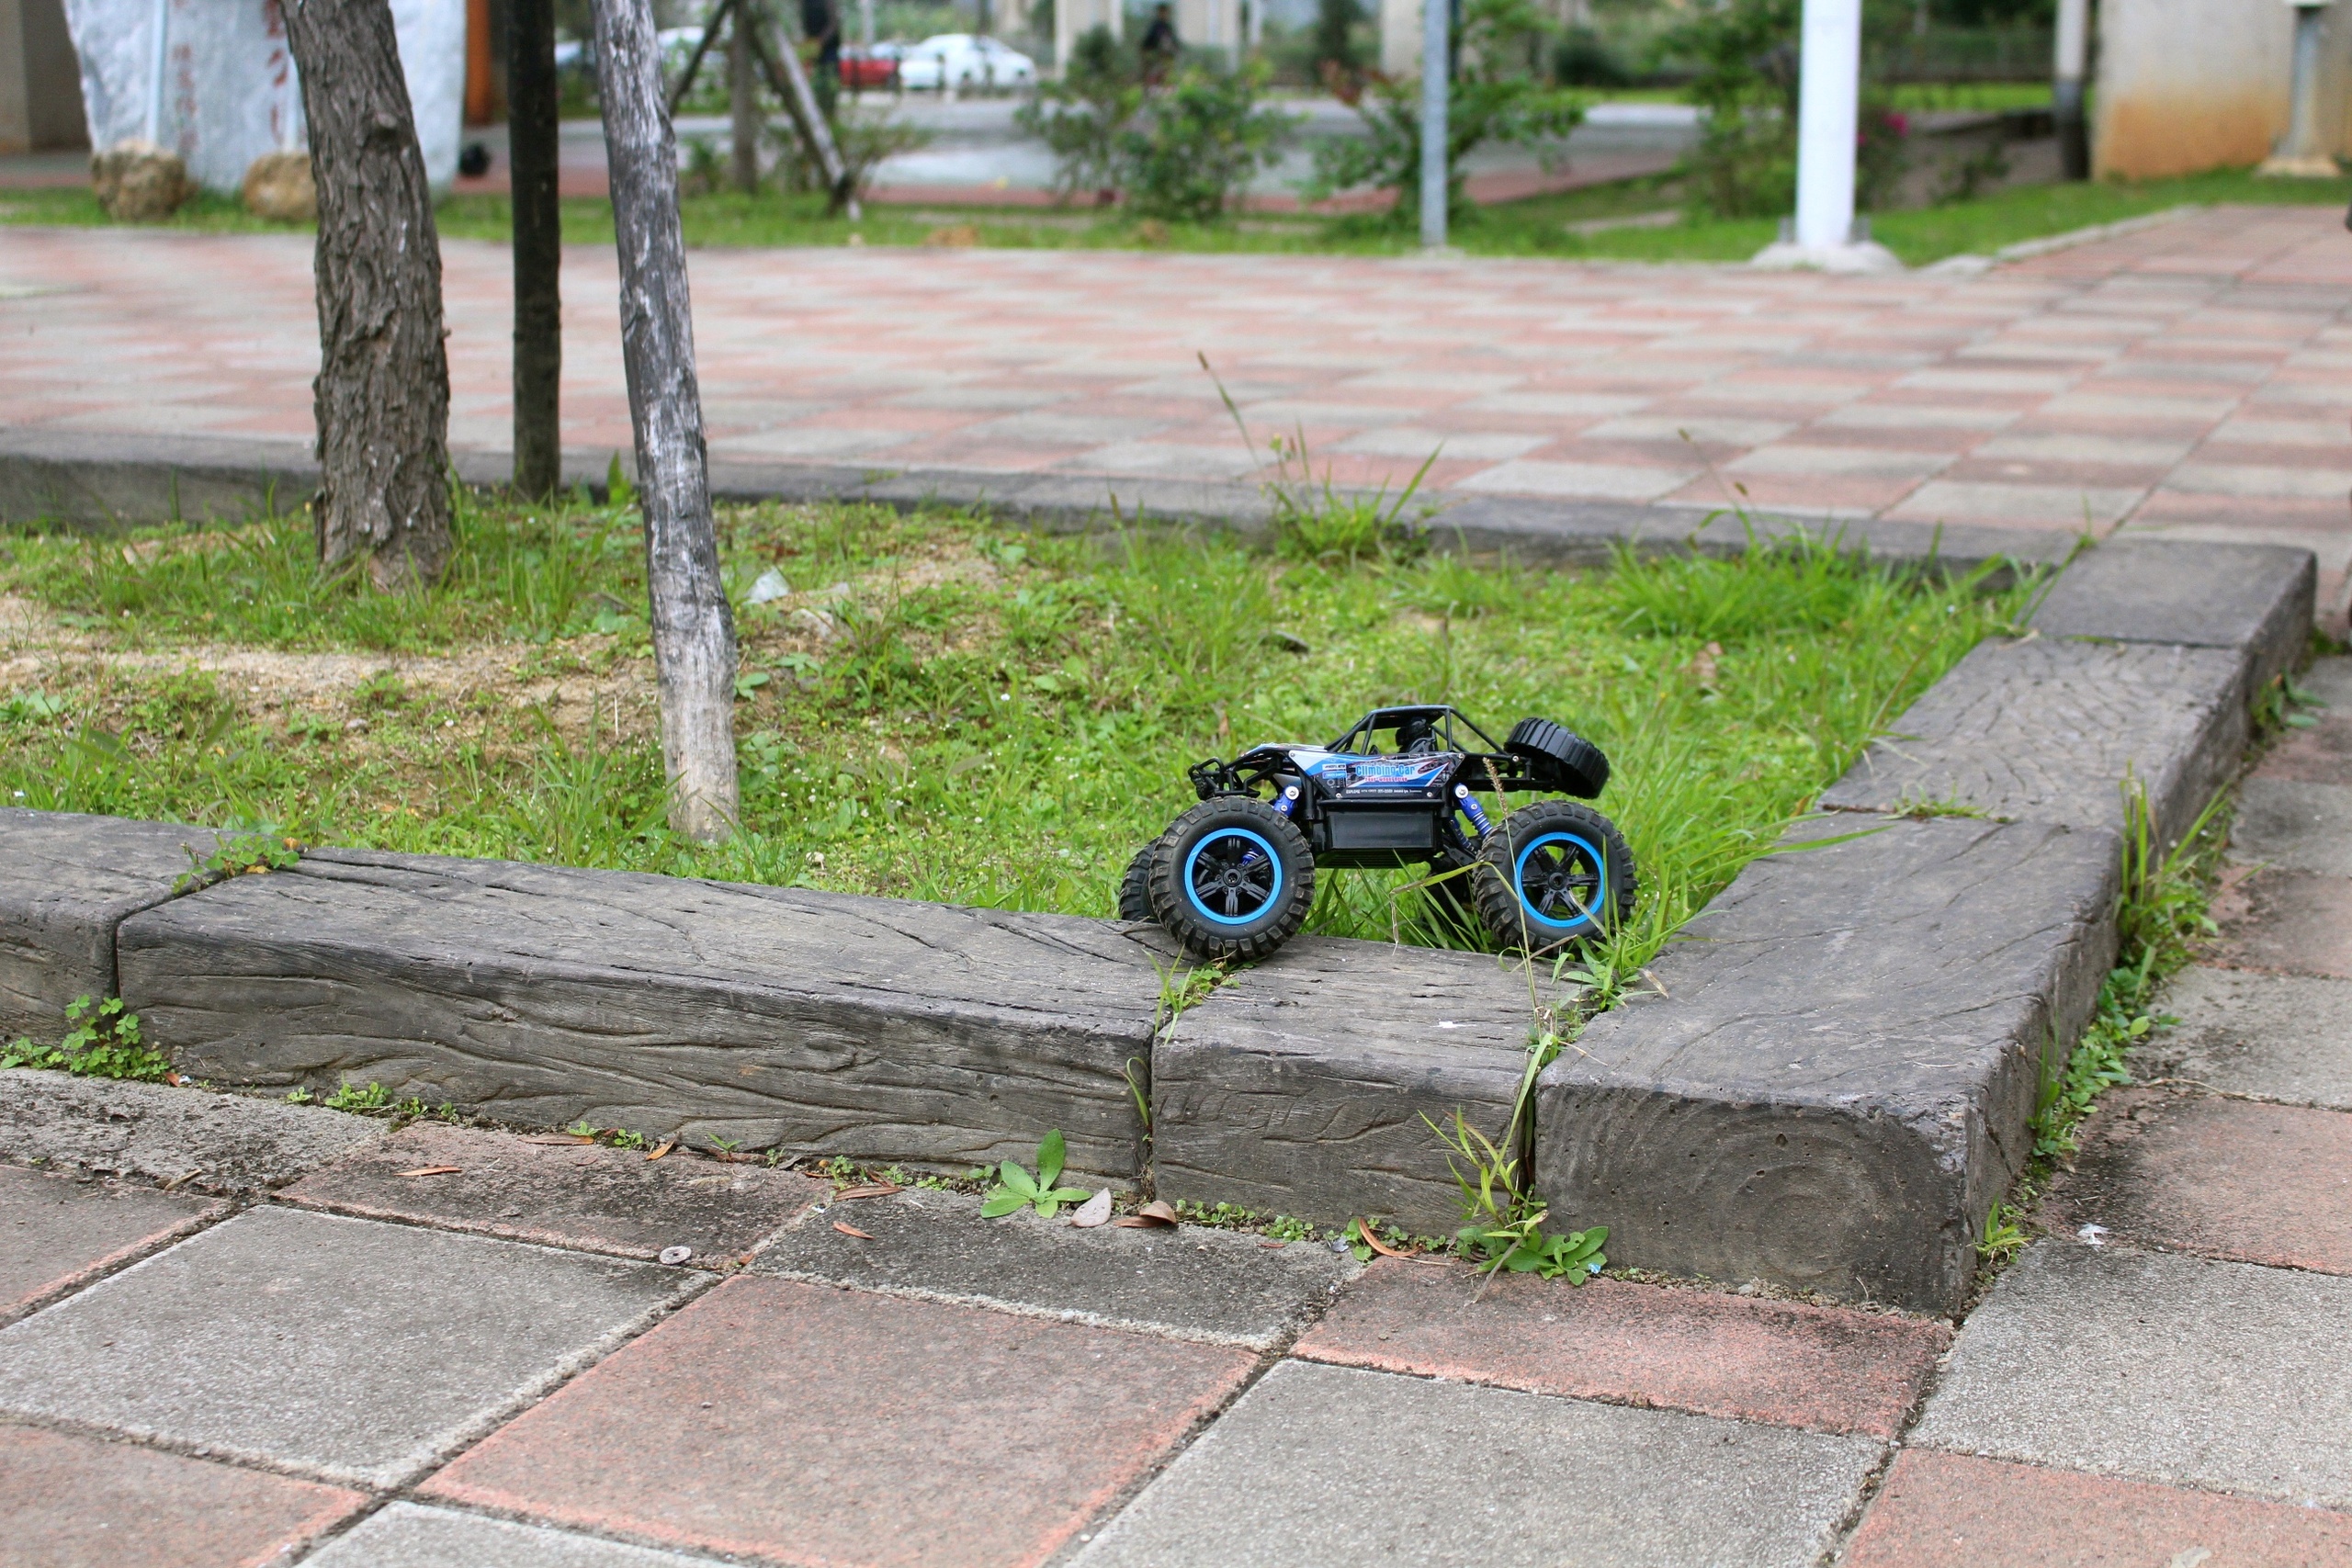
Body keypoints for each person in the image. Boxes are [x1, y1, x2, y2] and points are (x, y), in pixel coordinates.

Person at [1139, 2, 1178, 86]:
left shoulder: (1168, 26)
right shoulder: (1155, 26)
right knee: (1154, 74)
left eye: (1165, 12)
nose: (1164, 14)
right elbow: (1147, 42)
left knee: (1166, 75)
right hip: (1154, 55)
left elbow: (1174, 42)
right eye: (1162, 12)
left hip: (1166, 57)